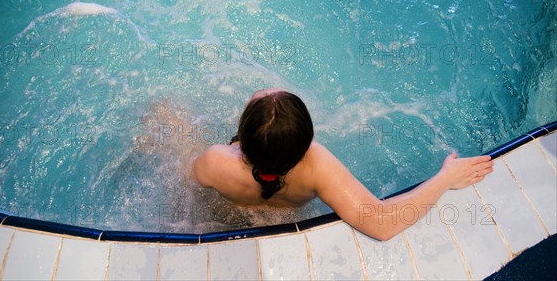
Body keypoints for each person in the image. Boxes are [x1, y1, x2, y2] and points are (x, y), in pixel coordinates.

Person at [193, 88, 494, 241]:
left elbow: (188, 186)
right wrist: (444, 178)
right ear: (305, 143)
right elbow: (381, 223)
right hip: (286, 223)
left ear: (243, 137)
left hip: (222, 218)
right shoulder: (316, 164)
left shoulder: (215, 161)